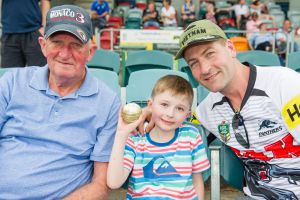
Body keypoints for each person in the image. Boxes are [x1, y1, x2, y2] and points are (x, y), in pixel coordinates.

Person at [0, 5, 121, 199]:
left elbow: (100, 186)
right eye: (56, 42)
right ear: (42, 45)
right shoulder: (12, 82)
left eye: (75, 45)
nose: (64, 54)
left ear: (90, 51)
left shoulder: (107, 102)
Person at [173, 19, 300, 199]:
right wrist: (149, 114)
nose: (205, 69)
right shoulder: (206, 111)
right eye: (194, 63)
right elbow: (178, 127)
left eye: (210, 54)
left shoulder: (284, 84)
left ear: (231, 48)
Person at [107, 75, 210, 199]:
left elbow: (197, 180)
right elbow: (113, 183)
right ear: (150, 105)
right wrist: (121, 134)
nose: (170, 114)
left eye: (179, 108)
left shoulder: (191, 135)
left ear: (187, 115)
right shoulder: (136, 139)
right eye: (164, 105)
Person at [1, 0, 50, 68]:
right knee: (9, 75)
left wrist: (44, 27)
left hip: (34, 32)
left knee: (39, 73)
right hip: (9, 33)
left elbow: (45, 1)